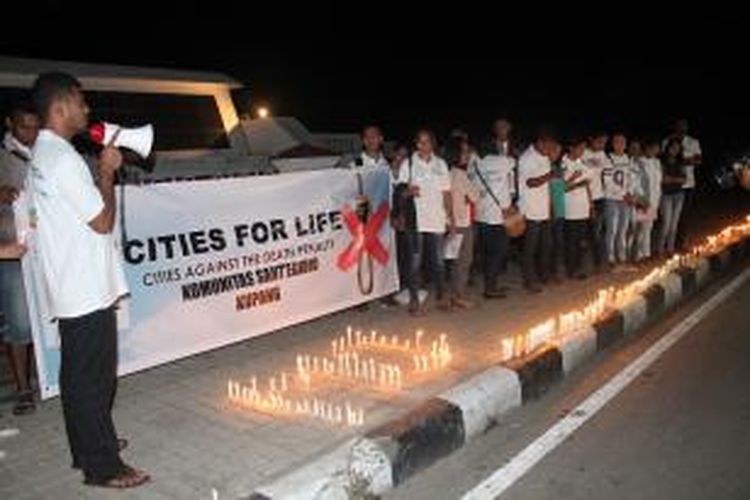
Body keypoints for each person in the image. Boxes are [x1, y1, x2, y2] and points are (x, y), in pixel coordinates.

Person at [29, 72, 149, 488]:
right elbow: (101, 221)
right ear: (60, 107)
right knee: (94, 378)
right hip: (83, 286)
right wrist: (107, 172)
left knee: (80, 376)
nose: (87, 109)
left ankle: (89, 446)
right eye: (80, 102)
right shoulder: (62, 159)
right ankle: (103, 466)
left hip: (71, 282)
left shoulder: (43, 154)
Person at [0, 101, 40, 415]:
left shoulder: (48, 149)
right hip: (11, 249)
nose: (31, 132)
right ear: (9, 124)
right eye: (24, 126)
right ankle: (24, 389)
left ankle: (50, 374)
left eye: (35, 126)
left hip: (46, 247)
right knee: (19, 322)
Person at [398, 129, 453, 314]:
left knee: (439, 261)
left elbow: (446, 193)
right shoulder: (409, 163)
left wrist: (450, 217)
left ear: (432, 143)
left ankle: (441, 295)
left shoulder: (441, 164)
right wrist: (409, 192)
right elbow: (400, 192)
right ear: (416, 144)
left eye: (427, 141)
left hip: (437, 218)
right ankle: (414, 301)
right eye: (420, 142)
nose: (424, 145)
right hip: (415, 220)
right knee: (415, 261)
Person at [445, 137, 480, 308]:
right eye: (464, 151)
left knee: (455, 261)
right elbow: (476, 195)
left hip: (452, 222)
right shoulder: (460, 174)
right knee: (464, 261)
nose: (467, 155)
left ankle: (455, 294)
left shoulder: (449, 173)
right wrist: (469, 196)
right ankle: (459, 296)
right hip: (462, 223)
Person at [518, 130, 553, 293]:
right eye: (548, 146)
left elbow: (546, 185)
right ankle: (529, 281)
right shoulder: (526, 158)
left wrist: (550, 206)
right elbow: (530, 182)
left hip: (543, 209)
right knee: (530, 249)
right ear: (539, 143)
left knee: (545, 246)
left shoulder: (544, 157)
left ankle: (544, 276)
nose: (550, 149)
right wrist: (549, 175)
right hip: (530, 210)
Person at [663, 119, 702, 250]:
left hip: (688, 184)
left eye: (684, 126)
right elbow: (664, 159)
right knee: (668, 219)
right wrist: (686, 160)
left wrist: (680, 160)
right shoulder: (667, 141)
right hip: (669, 186)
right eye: (679, 125)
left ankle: (680, 244)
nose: (682, 128)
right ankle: (667, 246)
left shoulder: (693, 142)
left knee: (684, 216)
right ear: (675, 126)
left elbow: (698, 160)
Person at [602, 133, 635, 268]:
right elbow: (608, 182)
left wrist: (630, 193)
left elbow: (632, 179)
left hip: (625, 199)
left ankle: (621, 256)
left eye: (623, 142)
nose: (620, 145)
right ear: (613, 144)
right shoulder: (608, 159)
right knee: (612, 230)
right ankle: (610, 257)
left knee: (623, 229)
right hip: (612, 198)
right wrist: (623, 194)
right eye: (617, 142)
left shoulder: (629, 159)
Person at [562, 137, 592, 279]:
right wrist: (575, 180)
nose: (582, 151)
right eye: (580, 148)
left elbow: (587, 186)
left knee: (582, 241)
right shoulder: (563, 163)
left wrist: (590, 203)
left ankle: (579, 268)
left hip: (583, 208)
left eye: (584, 148)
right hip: (570, 209)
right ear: (571, 147)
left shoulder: (582, 163)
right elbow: (561, 188)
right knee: (571, 242)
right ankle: (571, 270)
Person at [581, 132, 609, 272]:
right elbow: (582, 179)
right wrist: (588, 199)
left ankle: (598, 264)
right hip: (584, 197)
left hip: (599, 197)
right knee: (585, 233)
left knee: (597, 232)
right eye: (600, 141)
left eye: (604, 142)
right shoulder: (583, 153)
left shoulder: (603, 155)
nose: (602, 145)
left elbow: (606, 174)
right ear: (591, 139)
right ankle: (583, 265)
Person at [657, 139, 687, 257]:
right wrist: (675, 179)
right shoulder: (662, 161)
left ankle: (670, 248)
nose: (675, 150)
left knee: (674, 224)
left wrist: (671, 179)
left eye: (677, 148)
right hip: (666, 195)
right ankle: (660, 249)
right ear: (668, 148)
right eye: (673, 147)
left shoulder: (680, 162)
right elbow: (663, 179)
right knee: (666, 223)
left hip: (679, 194)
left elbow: (684, 179)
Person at [633, 140, 662, 262]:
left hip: (654, 199)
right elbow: (637, 183)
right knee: (641, 229)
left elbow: (658, 183)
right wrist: (642, 199)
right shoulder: (639, 162)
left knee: (648, 228)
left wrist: (658, 199)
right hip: (644, 200)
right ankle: (638, 255)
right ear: (647, 149)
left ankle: (646, 253)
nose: (656, 151)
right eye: (654, 148)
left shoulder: (656, 162)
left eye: (657, 148)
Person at [547, 140, 566, 282]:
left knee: (558, 243)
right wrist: (551, 208)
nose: (557, 154)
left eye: (559, 152)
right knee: (549, 243)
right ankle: (549, 273)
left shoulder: (558, 168)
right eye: (554, 150)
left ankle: (555, 272)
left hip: (560, 209)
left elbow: (562, 189)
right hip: (549, 210)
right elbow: (546, 191)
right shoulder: (544, 167)